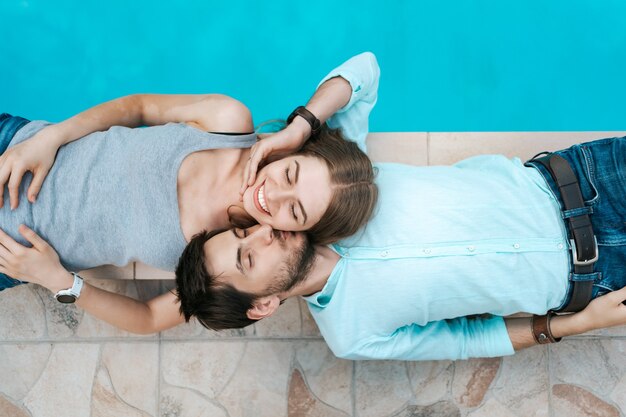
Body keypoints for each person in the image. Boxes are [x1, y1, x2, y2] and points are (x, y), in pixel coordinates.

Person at [0, 52, 379, 294]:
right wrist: (51, 137)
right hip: (16, 147)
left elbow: (148, 319)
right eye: (291, 174)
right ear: (293, 152)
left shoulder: (229, 252)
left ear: (299, 232)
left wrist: (60, 282)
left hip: (9, 253)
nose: (274, 195)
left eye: (295, 211)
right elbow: (138, 107)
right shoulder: (228, 122)